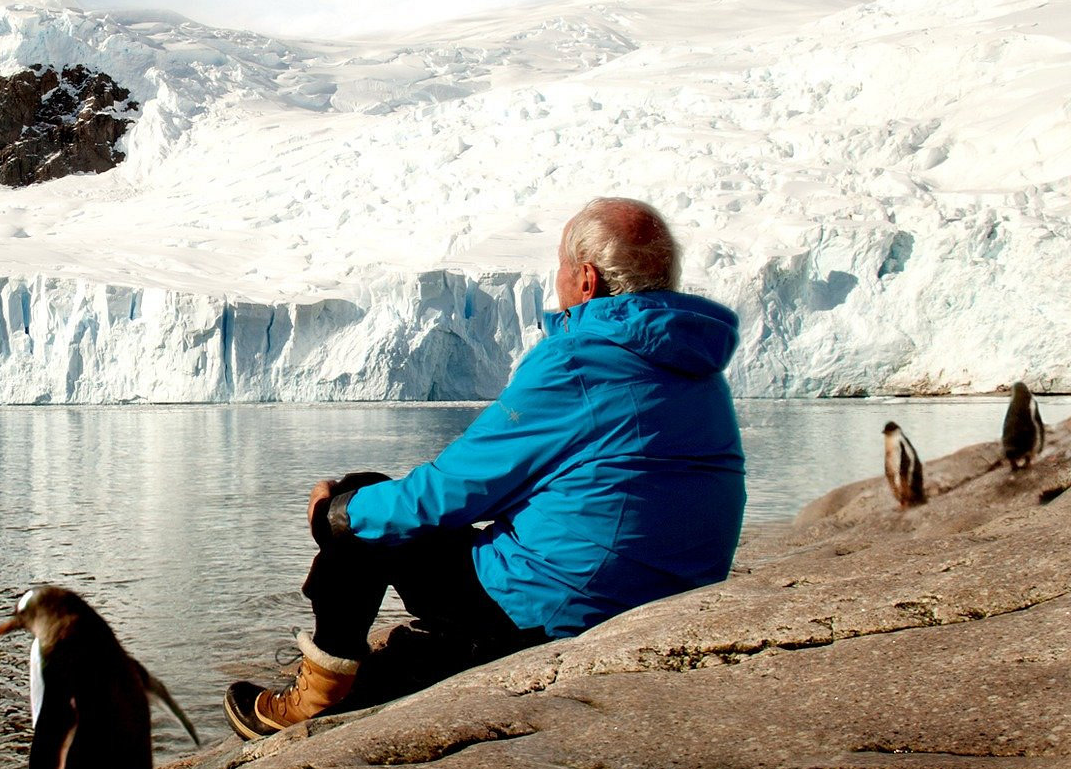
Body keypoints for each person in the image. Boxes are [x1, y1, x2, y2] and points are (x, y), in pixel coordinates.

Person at [224, 196, 748, 740]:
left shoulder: (577, 362)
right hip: (667, 602)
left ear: (586, 280)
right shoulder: (699, 369)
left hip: (561, 611)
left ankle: (319, 694)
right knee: (388, 516)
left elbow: (455, 490)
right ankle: (413, 654)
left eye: (562, 268)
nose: (559, 280)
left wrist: (337, 513)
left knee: (365, 505)